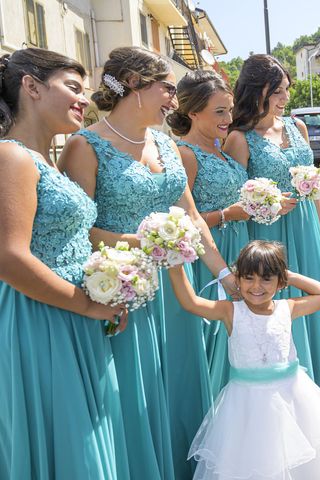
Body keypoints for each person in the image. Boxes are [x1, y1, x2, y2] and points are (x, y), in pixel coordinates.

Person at [59, 46, 237, 479]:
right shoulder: (85, 147)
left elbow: (192, 218)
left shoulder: (165, 142)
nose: (173, 101)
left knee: (181, 386)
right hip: (124, 289)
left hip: (180, 291)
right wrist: (143, 241)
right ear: (135, 87)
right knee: (135, 398)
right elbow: (74, 230)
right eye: (167, 89)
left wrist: (226, 276)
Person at [0, 48, 130, 479]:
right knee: (69, 441)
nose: (84, 98)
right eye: (72, 87)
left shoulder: (43, 161)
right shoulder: (12, 157)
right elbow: (9, 257)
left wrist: (108, 288)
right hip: (41, 317)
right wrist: (88, 304)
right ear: (31, 87)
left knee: (83, 435)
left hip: (72, 312)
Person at [223, 54, 320, 417]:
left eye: (287, 89)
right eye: (278, 91)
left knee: (316, 303)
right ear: (258, 90)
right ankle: (291, 405)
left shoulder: (297, 128)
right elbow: (235, 199)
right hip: (269, 234)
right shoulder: (239, 139)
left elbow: (314, 185)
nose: (285, 98)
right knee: (280, 309)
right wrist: (266, 206)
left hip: (306, 229)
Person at [168, 240, 320, 480]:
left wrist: (289, 275)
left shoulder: (288, 307)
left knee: (301, 459)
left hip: (292, 397)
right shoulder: (230, 311)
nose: (257, 286)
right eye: (249, 278)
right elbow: (191, 303)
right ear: (238, 279)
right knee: (255, 462)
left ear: (279, 281)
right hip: (247, 403)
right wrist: (173, 262)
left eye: (267, 278)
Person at [166, 70, 250, 400]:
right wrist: (229, 213)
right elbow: (185, 218)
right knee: (219, 341)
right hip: (211, 258)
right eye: (219, 111)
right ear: (193, 112)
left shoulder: (220, 150)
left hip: (240, 244)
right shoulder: (184, 154)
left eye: (229, 110)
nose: (228, 118)